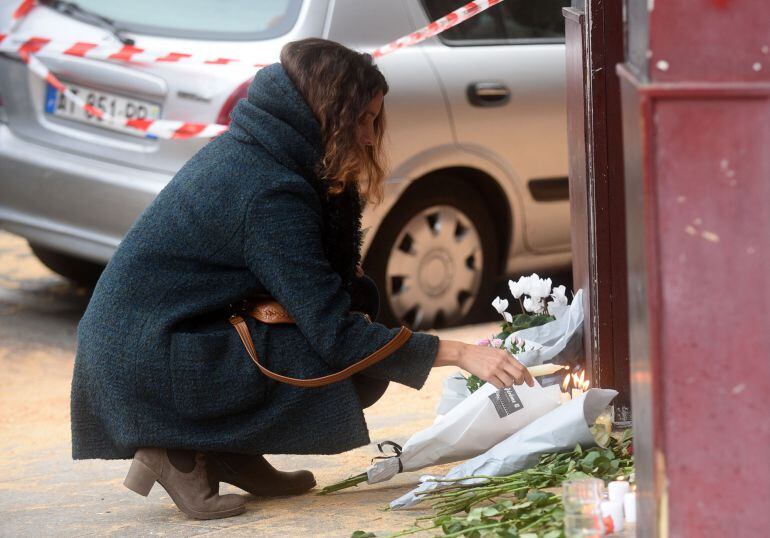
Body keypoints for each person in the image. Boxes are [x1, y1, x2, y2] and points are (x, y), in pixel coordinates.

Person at [70, 38, 534, 520]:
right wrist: (461, 353)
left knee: (358, 346)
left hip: (160, 341)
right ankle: (180, 453)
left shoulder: (268, 151)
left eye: (376, 120)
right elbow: (335, 334)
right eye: (361, 120)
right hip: (146, 358)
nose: (372, 137)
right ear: (324, 113)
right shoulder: (270, 191)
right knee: (359, 365)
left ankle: (231, 450)